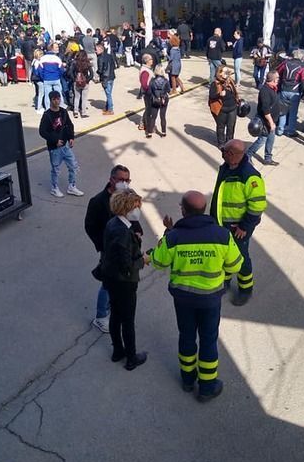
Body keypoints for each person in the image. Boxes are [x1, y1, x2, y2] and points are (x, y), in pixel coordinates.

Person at [150, 190, 242, 401]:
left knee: (186, 336)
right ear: (204, 210)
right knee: (208, 340)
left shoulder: (174, 237)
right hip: (210, 300)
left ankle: (187, 380)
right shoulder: (222, 235)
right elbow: (235, 265)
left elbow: (158, 262)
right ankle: (207, 387)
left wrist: (167, 235)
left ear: (183, 211)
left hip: (183, 300)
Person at [210, 139, 267, 306]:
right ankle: (225, 282)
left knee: (241, 258)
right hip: (222, 223)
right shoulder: (226, 167)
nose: (221, 153)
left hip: (238, 228)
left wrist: (245, 226)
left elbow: (258, 205)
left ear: (231, 154)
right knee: (224, 255)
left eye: (224, 151)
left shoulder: (250, 176)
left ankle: (245, 290)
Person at [85, 165, 137, 333]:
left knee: (118, 280)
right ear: (111, 179)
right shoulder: (98, 201)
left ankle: (112, 306)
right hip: (109, 249)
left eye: (127, 180)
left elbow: (133, 217)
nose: (125, 183)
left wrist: (137, 232)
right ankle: (101, 316)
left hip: (125, 245)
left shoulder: (127, 195)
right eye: (121, 179)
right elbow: (90, 226)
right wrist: (103, 245)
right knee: (108, 283)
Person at [100, 189, 148, 370]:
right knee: (128, 320)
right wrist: (143, 260)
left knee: (116, 315)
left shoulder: (113, 223)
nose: (138, 210)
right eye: (135, 207)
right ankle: (131, 358)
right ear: (126, 208)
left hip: (111, 277)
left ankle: (117, 351)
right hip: (124, 282)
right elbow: (127, 264)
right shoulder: (123, 232)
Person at [38, 90, 84, 198]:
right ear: (50, 100)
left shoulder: (63, 112)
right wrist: (55, 140)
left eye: (58, 98)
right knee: (56, 169)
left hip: (66, 146)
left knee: (73, 166)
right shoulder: (47, 115)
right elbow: (42, 131)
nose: (57, 101)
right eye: (54, 99)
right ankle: (54, 188)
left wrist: (71, 137)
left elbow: (69, 125)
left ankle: (72, 186)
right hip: (55, 148)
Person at [247, 70, 281, 165]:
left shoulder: (273, 88)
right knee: (262, 140)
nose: (279, 80)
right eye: (277, 78)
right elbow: (265, 110)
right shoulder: (265, 91)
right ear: (273, 80)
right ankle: (248, 155)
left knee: (271, 139)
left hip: (272, 121)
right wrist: (271, 123)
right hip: (265, 121)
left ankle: (268, 158)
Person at [275, 49, 304, 138]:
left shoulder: (285, 63)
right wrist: (303, 92)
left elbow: (277, 71)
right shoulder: (302, 66)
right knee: (293, 112)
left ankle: (280, 130)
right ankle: (290, 130)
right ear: (302, 57)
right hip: (295, 91)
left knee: (283, 110)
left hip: (284, 89)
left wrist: (280, 82)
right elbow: (303, 80)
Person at [208, 65, 238, 148]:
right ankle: (221, 143)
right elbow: (211, 96)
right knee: (221, 127)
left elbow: (235, 93)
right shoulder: (215, 83)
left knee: (231, 127)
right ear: (219, 73)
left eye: (227, 72)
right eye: (225, 72)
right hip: (222, 109)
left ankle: (229, 143)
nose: (227, 73)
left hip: (232, 108)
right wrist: (219, 94)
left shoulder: (230, 81)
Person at [146, 64, 171, 138]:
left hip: (155, 100)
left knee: (153, 117)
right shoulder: (166, 81)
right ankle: (163, 132)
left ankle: (149, 133)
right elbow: (169, 91)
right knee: (162, 116)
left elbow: (149, 91)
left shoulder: (152, 81)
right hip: (164, 99)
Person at [69, 50, 93, 118]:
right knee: (84, 98)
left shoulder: (75, 62)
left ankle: (75, 112)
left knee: (76, 97)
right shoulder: (87, 63)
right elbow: (91, 74)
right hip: (85, 82)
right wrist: (87, 80)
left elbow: (71, 72)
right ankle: (83, 112)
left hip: (77, 82)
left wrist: (74, 79)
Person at [40, 42, 66, 107]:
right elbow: (61, 70)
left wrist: (43, 77)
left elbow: (40, 70)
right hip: (56, 78)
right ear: (52, 49)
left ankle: (48, 108)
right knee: (59, 94)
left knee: (47, 95)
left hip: (47, 78)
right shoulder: (57, 58)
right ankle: (61, 107)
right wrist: (58, 76)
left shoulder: (43, 58)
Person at [96, 43, 116, 115]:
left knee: (108, 94)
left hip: (105, 78)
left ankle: (110, 109)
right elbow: (114, 65)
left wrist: (97, 73)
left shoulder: (100, 58)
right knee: (109, 93)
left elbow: (100, 70)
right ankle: (108, 107)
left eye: (97, 50)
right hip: (111, 76)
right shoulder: (109, 56)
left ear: (101, 49)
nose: (96, 51)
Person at [138, 53, 154, 132]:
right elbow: (144, 85)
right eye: (151, 59)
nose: (152, 60)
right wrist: (150, 90)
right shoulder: (145, 71)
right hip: (148, 93)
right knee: (149, 110)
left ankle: (143, 123)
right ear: (147, 61)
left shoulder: (147, 69)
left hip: (148, 92)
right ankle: (145, 124)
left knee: (148, 109)